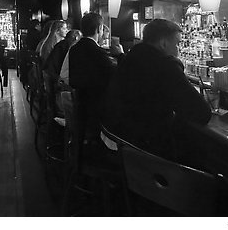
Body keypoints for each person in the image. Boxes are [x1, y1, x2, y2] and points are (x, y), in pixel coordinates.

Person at [102, 18, 212, 161]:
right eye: (177, 43)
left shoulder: (130, 58)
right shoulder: (165, 65)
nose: (178, 49)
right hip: (143, 154)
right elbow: (201, 112)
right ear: (163, 43)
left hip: (115, 140)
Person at [68, 12, 115, 143]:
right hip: (95, 109)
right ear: (99, 29)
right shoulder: (98, 52)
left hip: (80, 104)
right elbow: (114, 76)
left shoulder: (75, 48)